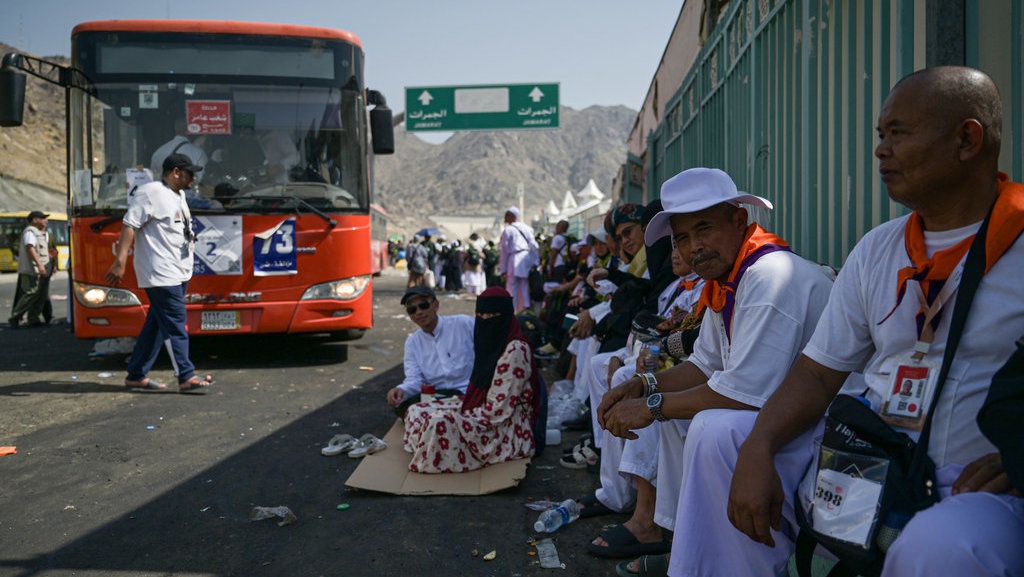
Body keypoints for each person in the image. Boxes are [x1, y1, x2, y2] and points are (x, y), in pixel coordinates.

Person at [677, 67, 1024, 577]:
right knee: (721, 437)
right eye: (880, 135)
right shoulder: (878, 247)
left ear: (967, 139)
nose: (881, 149)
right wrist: (758, 447)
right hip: (874, 462)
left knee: (940, 545)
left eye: (898, 133)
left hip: (975, 487)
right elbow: (817, 373)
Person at [593, 167, 836, 571]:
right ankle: (683, 546)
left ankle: (733, 562)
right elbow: (705, 365)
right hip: (780, 418)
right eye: (683, 238)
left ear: (739, 221)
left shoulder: (769, 276)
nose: (694, 248)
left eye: (704, 228)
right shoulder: (729, 278)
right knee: (678, 416)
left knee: (712, 427)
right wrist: (642, 384)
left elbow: (741, 392)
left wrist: (651, 404)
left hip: (820, 432)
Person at [402, 286, 543, 473]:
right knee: (415, 411)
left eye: (491, 315)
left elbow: (497, 412)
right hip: (475, 402)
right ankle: (433, 444)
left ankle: (435, 446)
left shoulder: (515, 350)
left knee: (438, 422)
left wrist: (457, 418)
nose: (485, 321)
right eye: (481, 315)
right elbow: (413, 379)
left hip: (502, 426)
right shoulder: (414, 342)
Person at [105, 153, 214, 394]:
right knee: (176, 324)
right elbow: (129, 225)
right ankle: (185, 375)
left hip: (179, 271)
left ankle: (136, 374)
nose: (194, 177)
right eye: (189, 173)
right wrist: (120, 261)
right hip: (160, 272)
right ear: (176, 172)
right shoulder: (150, 192)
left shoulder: (180, 195)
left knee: (156, 325)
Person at [386, 285, 475, 417]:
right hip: (438, 398)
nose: (419, 312)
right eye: (412, 309)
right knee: (404, 407)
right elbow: (415, 380)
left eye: (423, 305)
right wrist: (401, 390)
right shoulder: (413, 343)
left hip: (469, 393)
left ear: (436, 305)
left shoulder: (464, 324)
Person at [8, 211, 52, 328]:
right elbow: (30, 248)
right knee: (31, 293)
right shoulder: (30, 232)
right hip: (32, 269)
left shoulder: (39, 233)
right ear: (35, 220)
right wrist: (40, 265)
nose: (46, 221)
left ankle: (33, 319)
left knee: (40, 295)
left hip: (40, 269)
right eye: (43, 218)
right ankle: (15, 317)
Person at [499, 206, 540, 313]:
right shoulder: (526, 228)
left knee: (512, 285)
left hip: (515, 258)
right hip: (526, 258)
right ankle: (525, 308)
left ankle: (513, 309)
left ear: (512, 216)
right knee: (524, 285)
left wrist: (503, 269)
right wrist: (535, 261)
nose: (505, 217)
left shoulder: (508, 230)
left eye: (507, 215)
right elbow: (534, 245)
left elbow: (504, 250)